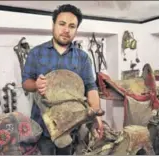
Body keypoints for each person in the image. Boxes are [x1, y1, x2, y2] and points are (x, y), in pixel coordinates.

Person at [22, 4, 103, 155]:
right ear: (53, 25)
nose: (66, 29)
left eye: (72, 26)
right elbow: (26, 83)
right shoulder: (36, 53)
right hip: (43, 124)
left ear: (76, 30)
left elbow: (91, 87)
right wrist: (36, 85)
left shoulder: (83, 58)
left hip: (71, 126)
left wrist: (95, 114)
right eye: (62, 24)